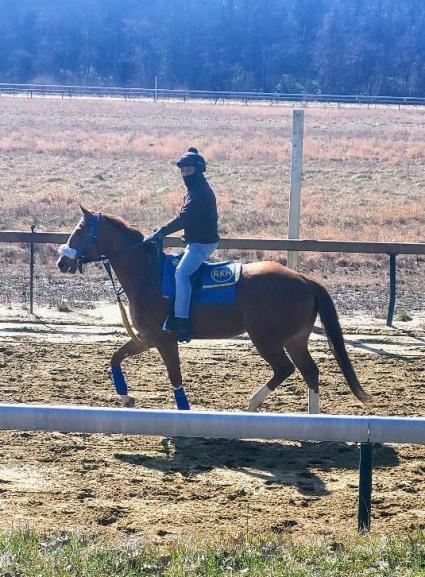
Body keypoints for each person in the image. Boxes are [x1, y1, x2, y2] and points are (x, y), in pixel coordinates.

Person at [146, 147, 219, 339]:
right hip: (196, 242)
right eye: (183, 170)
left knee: (181, 274)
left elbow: (183, 218)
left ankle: (182, 320)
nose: (185, 174)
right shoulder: (195, 190)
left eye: (189, 170)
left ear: (199, 170)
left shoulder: (199, 193)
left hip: (202, 244)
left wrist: (162, 231)